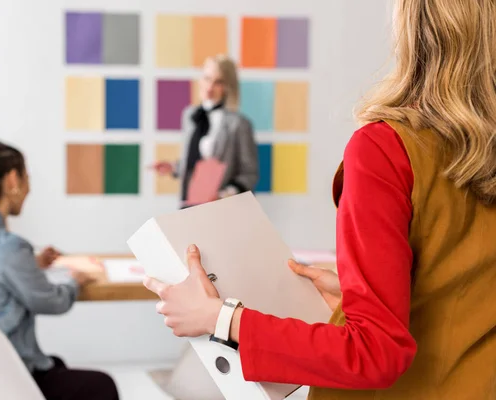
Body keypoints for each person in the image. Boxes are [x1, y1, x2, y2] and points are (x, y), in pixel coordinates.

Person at [143, 0, 496, 398]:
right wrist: (360, 297)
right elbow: (460, 285)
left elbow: (374, 353)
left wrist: (220, 318)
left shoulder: (386, 148)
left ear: (413, 27)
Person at [0, 142, 119, 400]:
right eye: (27, 177)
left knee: (57, 365)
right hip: (5, 379)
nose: (29, 188)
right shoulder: (8, 246)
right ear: (12, 180)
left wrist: (33, 262)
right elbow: (52, 301)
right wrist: (74, 281)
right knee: (102, 386)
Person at [153, 54, 258, 207]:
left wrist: (224, 194)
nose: (210, 87)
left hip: (221, 207)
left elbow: (249, 173)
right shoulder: (190, 116)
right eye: (207, 79)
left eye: (218, 82)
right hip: (189, 202)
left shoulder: (239, 124)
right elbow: (193, 161)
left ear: (228, 87)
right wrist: (174, 168)